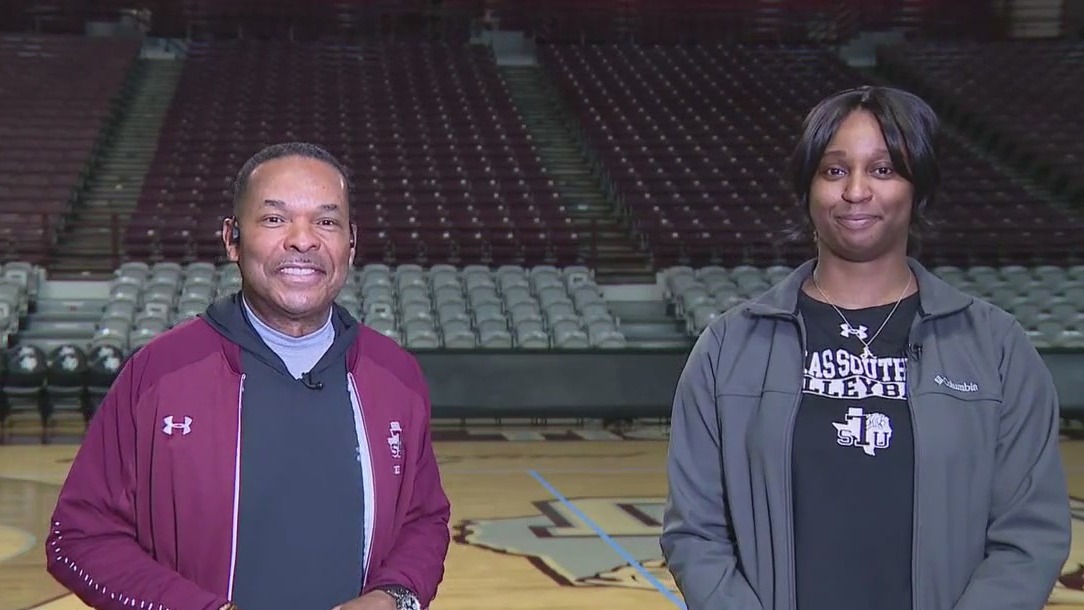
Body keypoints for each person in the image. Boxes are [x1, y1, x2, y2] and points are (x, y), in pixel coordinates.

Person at [660, 86, 1071, 610]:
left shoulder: (996, 348)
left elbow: (1028, 535)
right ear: (807, 187)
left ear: (916, 187)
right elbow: (695, 532)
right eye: (834, 171)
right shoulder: (728, 347)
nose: (856, 191)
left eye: (883, 169)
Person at [45, 142, 451, 610]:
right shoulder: (157, 373)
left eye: (326, 221)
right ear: (232, 239)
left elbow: (425, 519)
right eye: (275, 219)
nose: (304, 240)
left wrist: (395, 596)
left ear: (351, 244)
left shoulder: (396, 375)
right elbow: (79, 537)